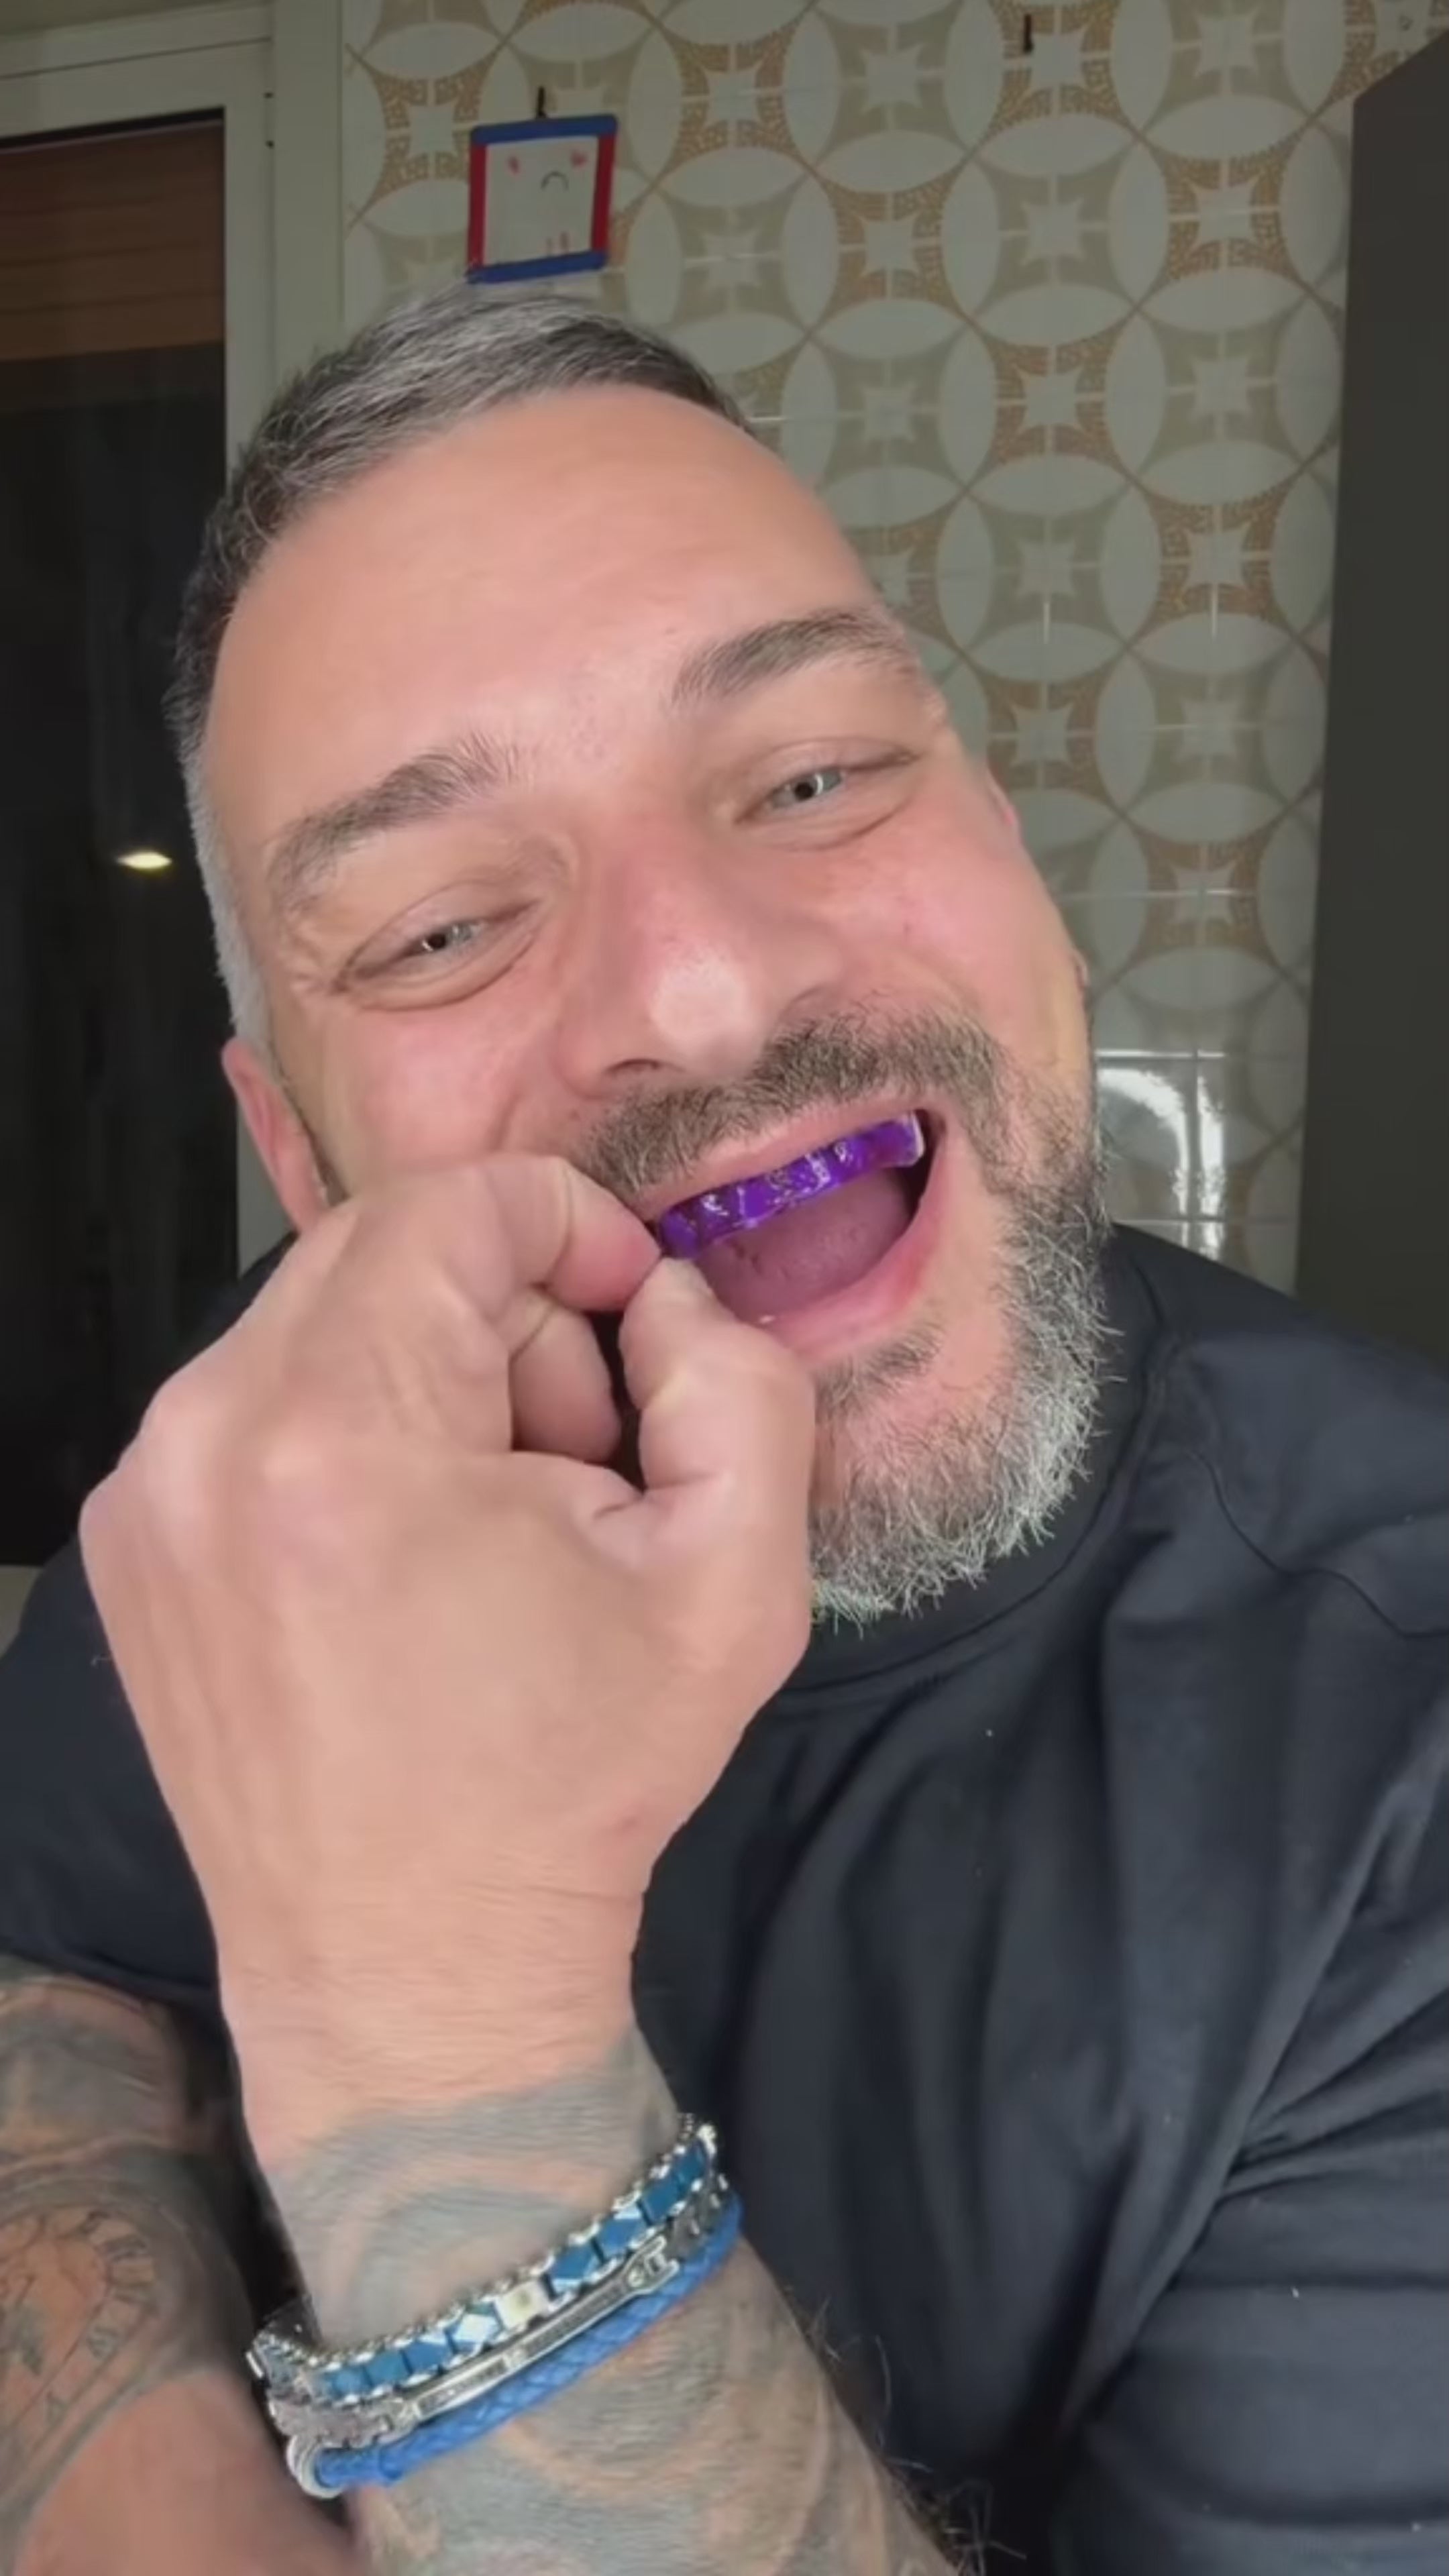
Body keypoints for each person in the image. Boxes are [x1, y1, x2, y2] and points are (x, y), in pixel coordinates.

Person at [0, 288, 1445, 2576]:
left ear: (1011, 852)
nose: (700, 988)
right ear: (302, 1160)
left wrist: (440, 2025)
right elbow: (53, 1989)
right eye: (443, 927)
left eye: (811, 777)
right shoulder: (273, 1456)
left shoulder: (1404, 1719)